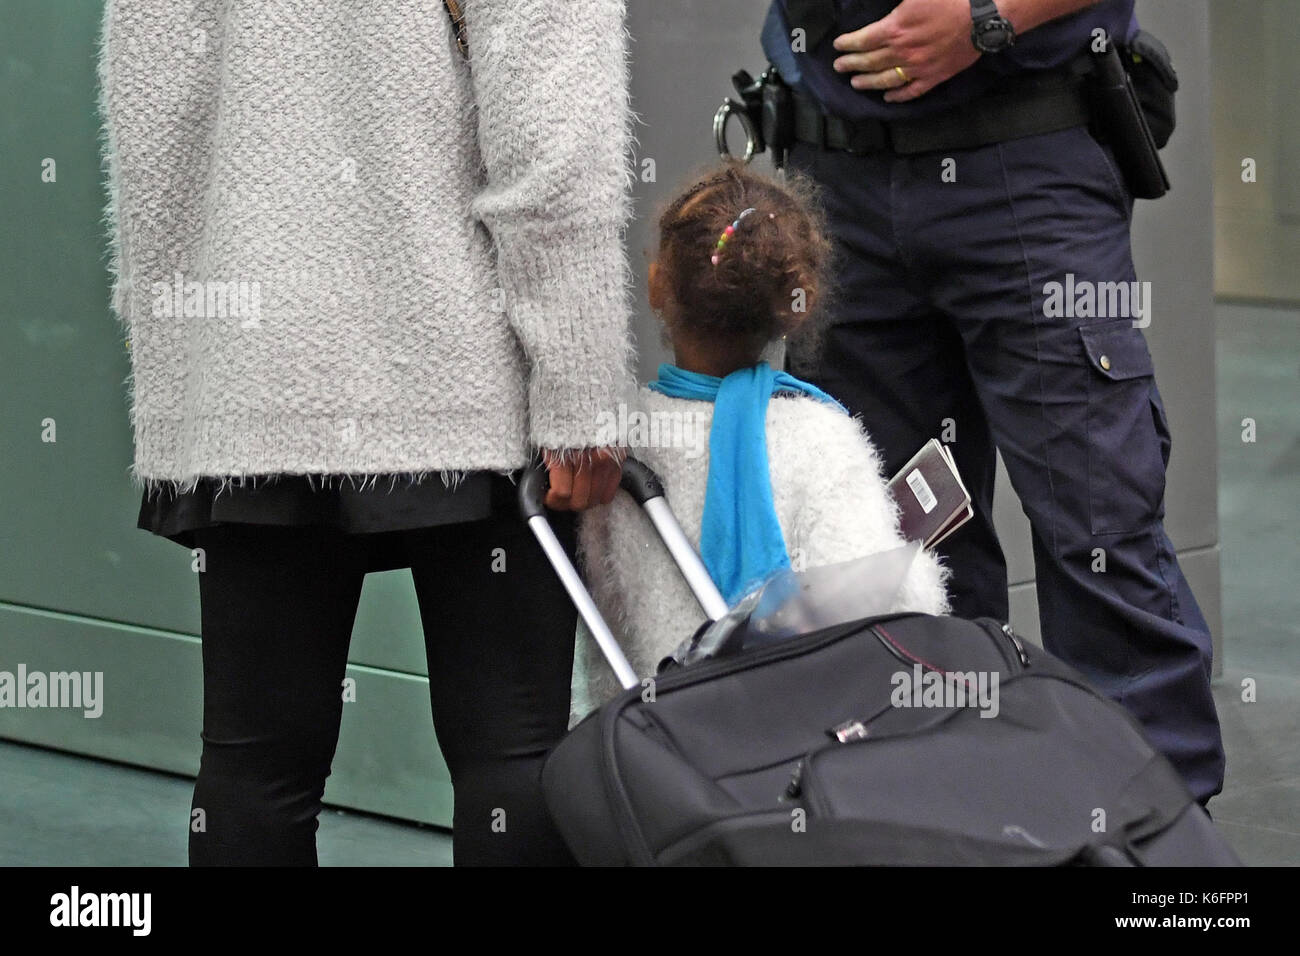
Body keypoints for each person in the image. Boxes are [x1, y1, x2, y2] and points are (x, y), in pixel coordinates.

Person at [99, 0, 633, 864]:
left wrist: (185, 377)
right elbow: (552, 142)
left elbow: (154, 116)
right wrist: (581, 387)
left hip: (254, 365)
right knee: (513, 754)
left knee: (255, 767)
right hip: (467, 364)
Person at [761, 0, 1224, 802]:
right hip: (835, 175)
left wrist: (988, 19)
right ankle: (951, 823)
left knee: (1099, 532)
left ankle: (1157, 864)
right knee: (893, 553)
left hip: (1026, 156)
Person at [572, 163, 951, 719]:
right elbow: (891, 605)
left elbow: (599, 608)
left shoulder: (612, 440)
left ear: (656, 286)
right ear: (797, 310)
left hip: (649, 738)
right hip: (787, 743)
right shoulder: (820, 435)